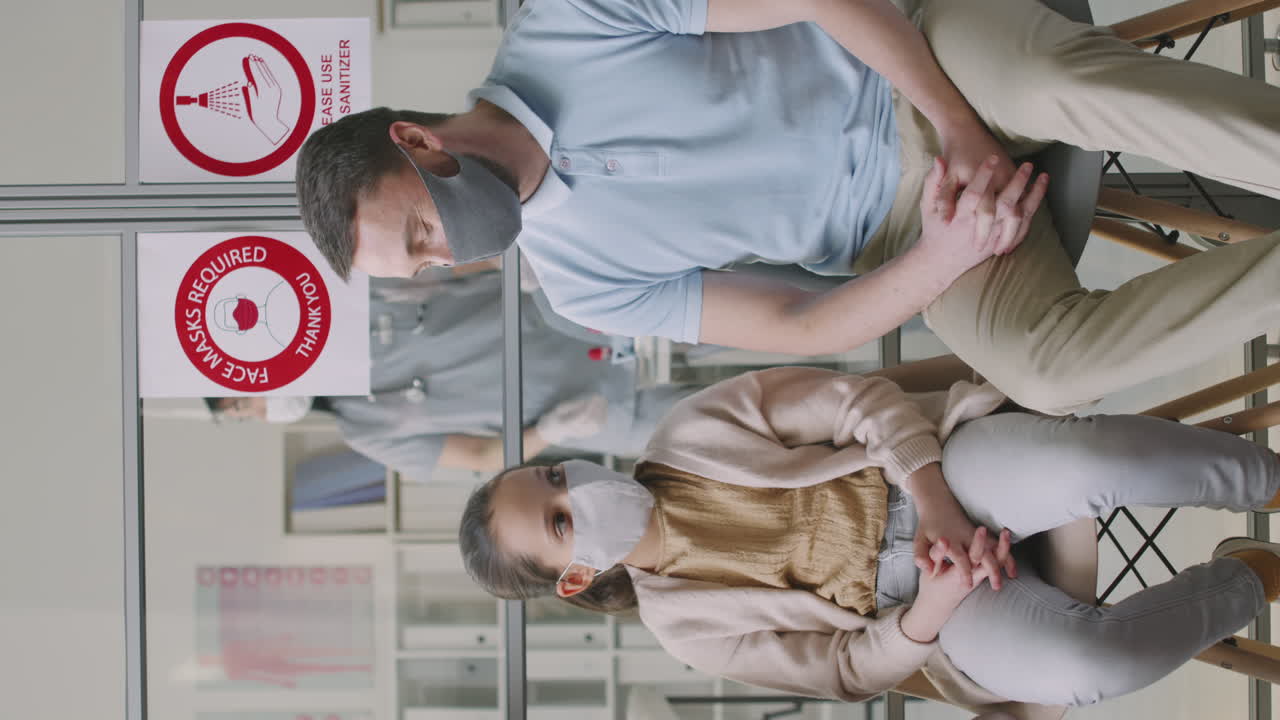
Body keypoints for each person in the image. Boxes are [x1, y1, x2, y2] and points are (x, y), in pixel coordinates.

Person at [295, 0, 1280, 415]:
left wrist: (956, 127)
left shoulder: (564, 24)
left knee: (1058, 84)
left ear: (416, 145)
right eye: (421, 267)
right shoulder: (581, 289)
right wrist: (942, 252)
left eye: (419, 231)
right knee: (1050, 372)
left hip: (914, 75)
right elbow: (801, 320)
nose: (444, 257)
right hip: (903, 234)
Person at [458, 366, 1280, 716]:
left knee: (1084, 459)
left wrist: (935, 506)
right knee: (1087, 668)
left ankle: (1263, 477)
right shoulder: (685, 629)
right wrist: (935, 603)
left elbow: (861, 403)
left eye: (557, 477)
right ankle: (1248, 579)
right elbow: (845, 671)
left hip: (935, 474)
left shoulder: (690, 429)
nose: (580, 491)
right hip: (926, 604)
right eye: (561, 521)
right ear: (574, 579)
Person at [207, 271, 700, 481]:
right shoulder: (365, 429)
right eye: (244, 415)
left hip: (576, 316)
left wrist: (525, 269)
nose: (257, 410)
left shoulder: (355, 301)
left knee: (748, 310)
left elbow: (453, 264)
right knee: (734, 428)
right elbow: (482, 455)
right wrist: (552, 432)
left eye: (240, 401)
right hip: (596, 407)